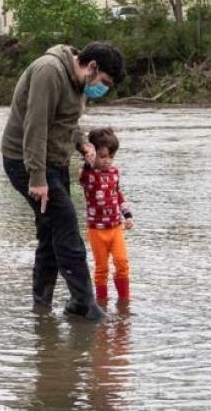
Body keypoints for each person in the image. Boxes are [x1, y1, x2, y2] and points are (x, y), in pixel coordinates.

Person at [2, 42, 126, 320]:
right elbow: (36, 125)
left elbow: (66, 121)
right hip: (25, 161)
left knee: (50, 231)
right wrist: (36, 177)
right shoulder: (49, 71)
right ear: (92, 66)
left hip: (55, 161)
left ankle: (41, 306)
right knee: (66, 222)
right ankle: (82, 303)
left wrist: (82, 143)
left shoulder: (78, 81)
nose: (103, 89)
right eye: (105, 82)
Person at [78, 127, 134, 303]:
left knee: (122, 262)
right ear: (92, 155)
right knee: (101, 269)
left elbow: (118, 194)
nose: (107, 161)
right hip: (96, 230)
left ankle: (124, 301)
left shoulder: (114, 172)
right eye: (103, 157)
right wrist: (88, 162)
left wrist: (127, 215)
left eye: (111, 157)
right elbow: (83, 177)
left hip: (115, 227)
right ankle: (101, 303)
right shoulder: (87, 174)